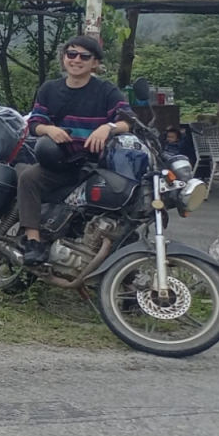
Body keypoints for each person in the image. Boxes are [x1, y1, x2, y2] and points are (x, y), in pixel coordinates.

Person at [18, 36, 133, 265]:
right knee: (28, 178)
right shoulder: (50, 89)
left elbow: (128, 121)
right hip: (61, 162)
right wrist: (49, 129)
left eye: (84, 56)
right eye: (71, 54)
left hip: (97, 166)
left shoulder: (106, 91)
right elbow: (34, 124)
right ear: (64, 58)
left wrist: (107, 127)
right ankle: (33, 241)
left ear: (95, 63)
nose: (77, 60)